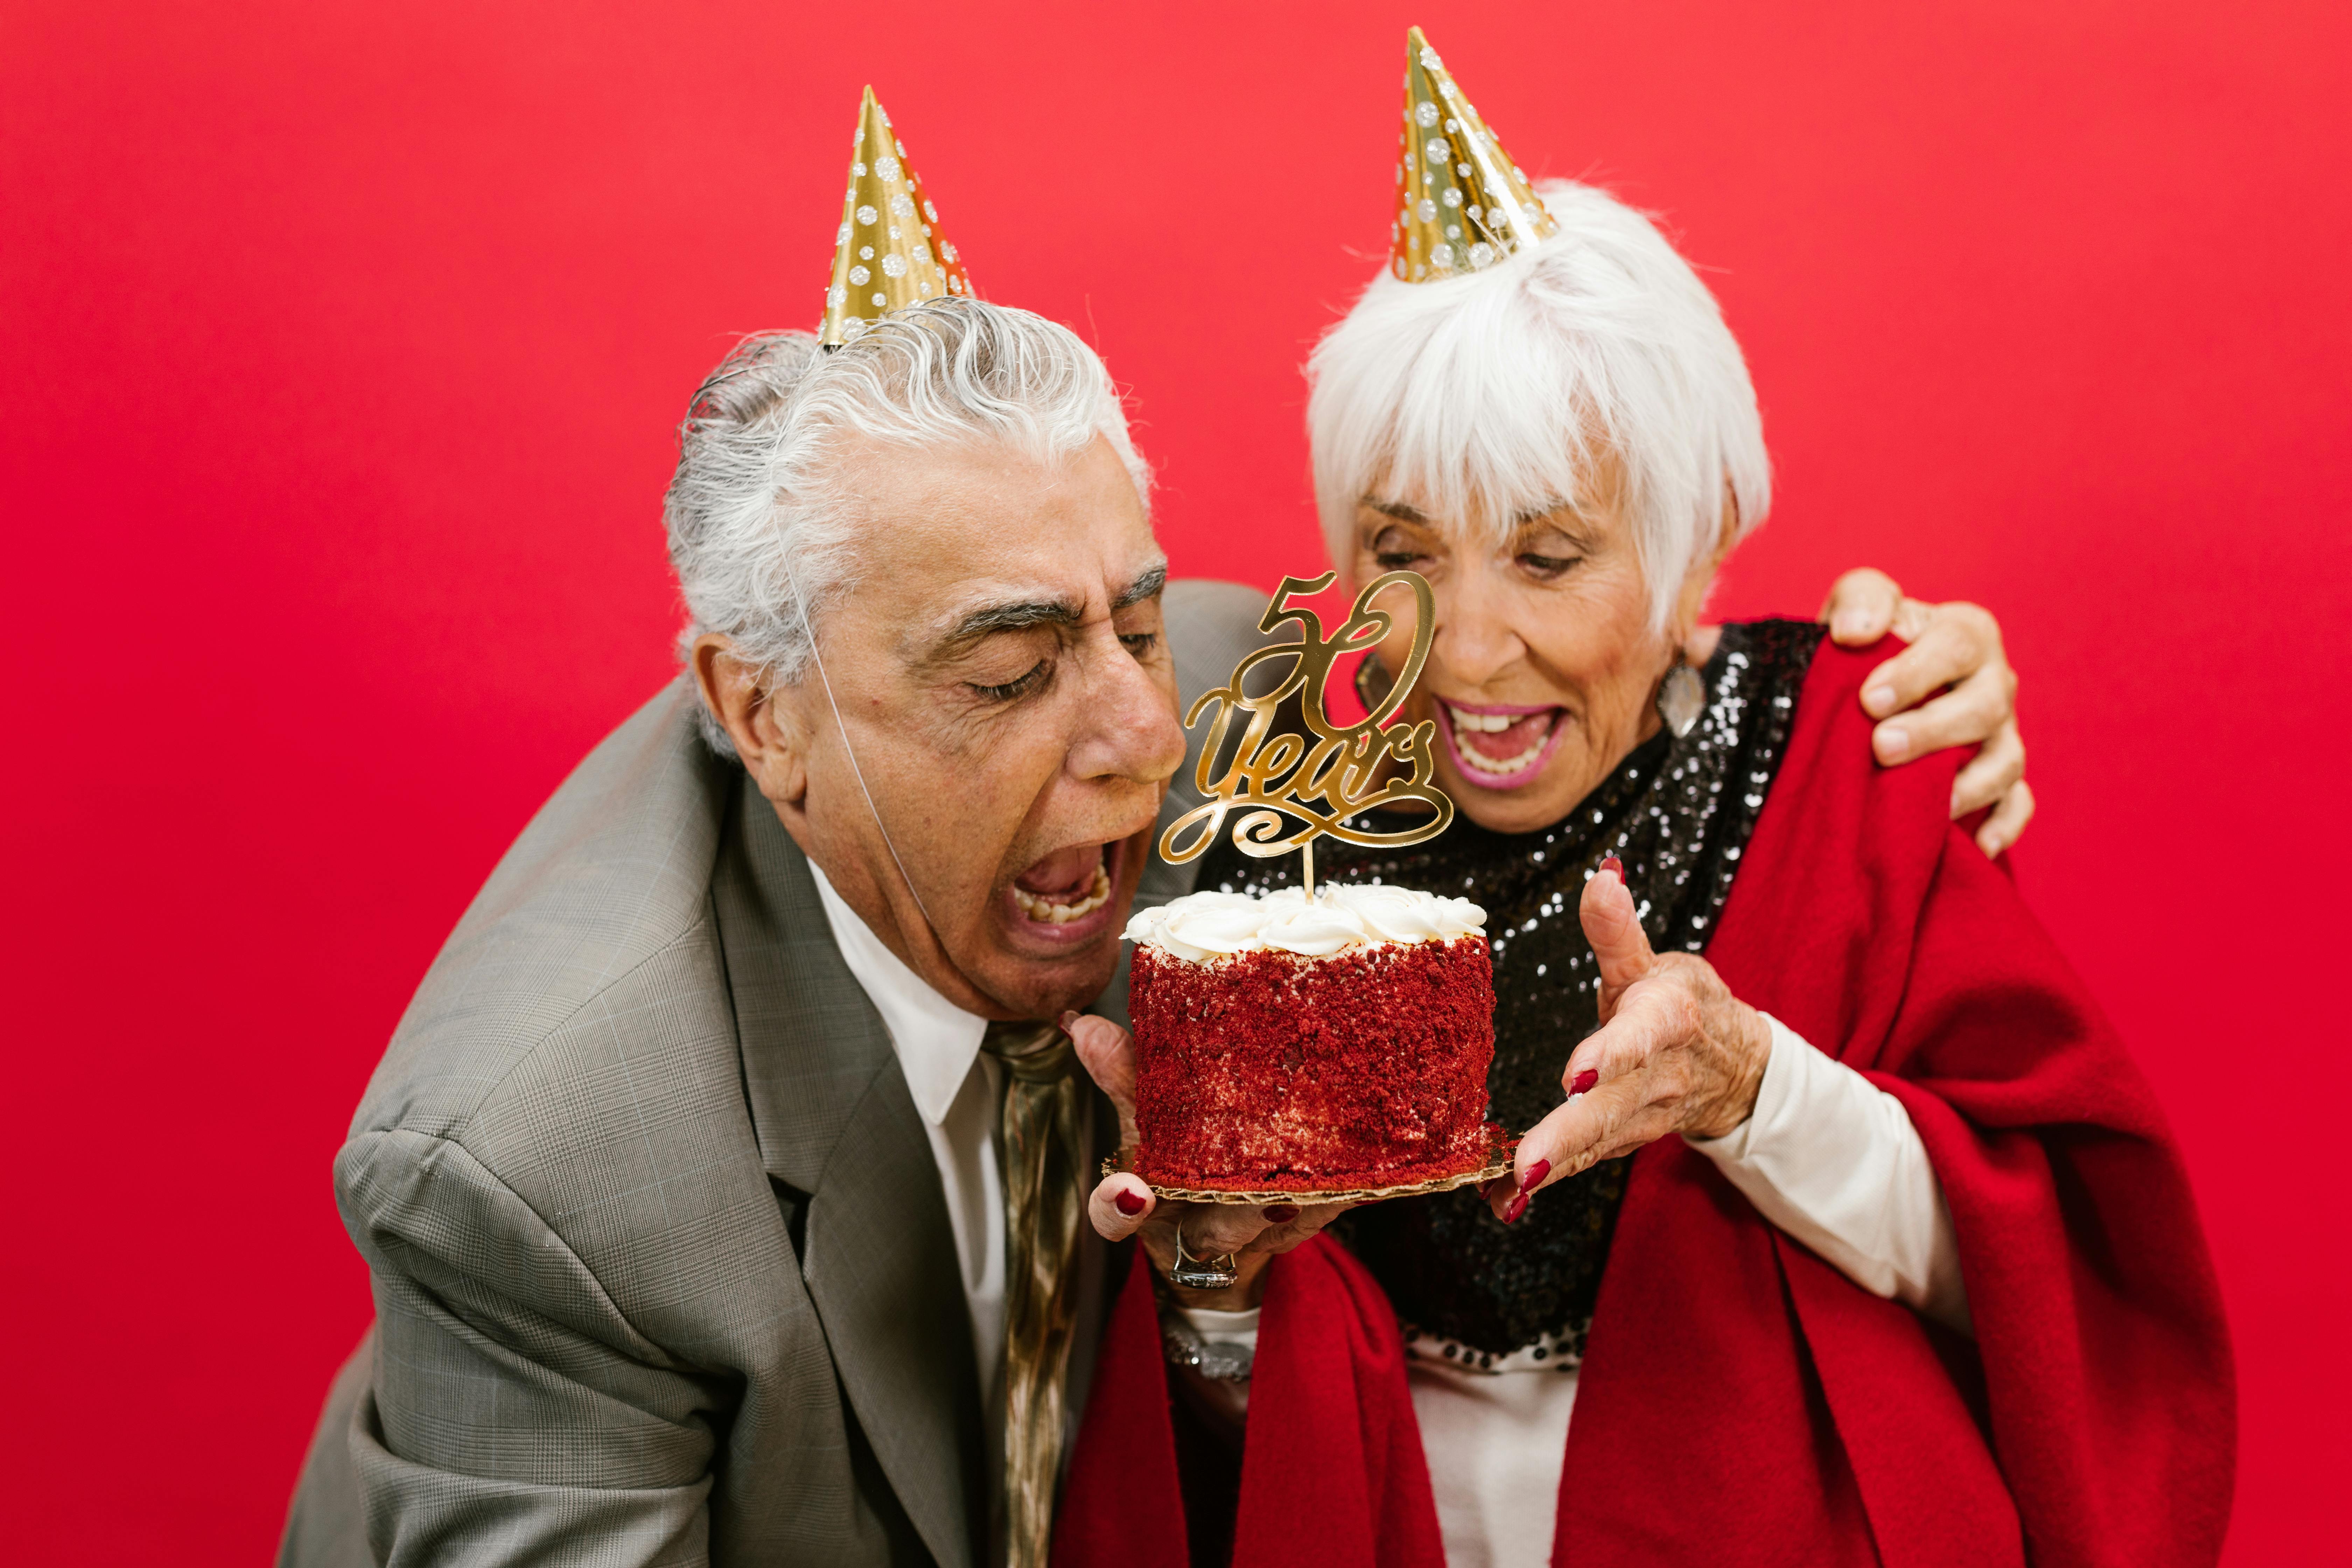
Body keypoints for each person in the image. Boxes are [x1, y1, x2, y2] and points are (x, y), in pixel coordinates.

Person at [278, 89, 2035, 1568]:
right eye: (1011, 670)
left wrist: (1902, 688)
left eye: (1128, 619)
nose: (1138, 741)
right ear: (763, 714)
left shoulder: (1276, 709)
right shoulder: (546, 1173)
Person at [1059, 34, 2231, 1568]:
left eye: (1549, 558)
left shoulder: (1853, 754)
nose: (1467, 649)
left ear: (1695, 564)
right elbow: (1214, 1416)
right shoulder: (1267, 813)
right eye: (1406, 553)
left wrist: (1754, 1092)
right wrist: (1210, 1284)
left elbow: (2039, 1281)